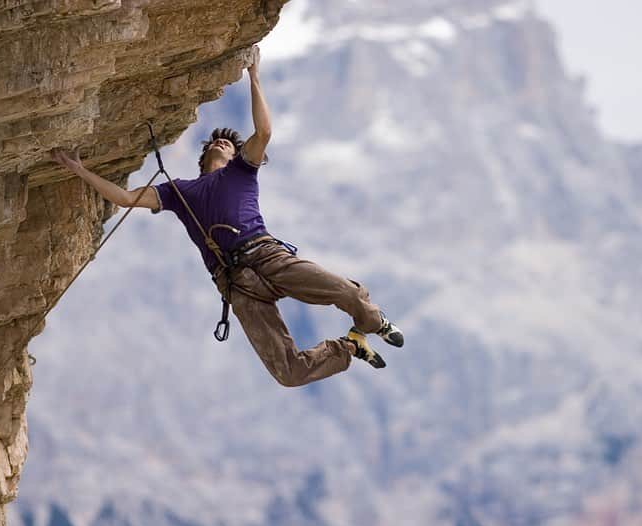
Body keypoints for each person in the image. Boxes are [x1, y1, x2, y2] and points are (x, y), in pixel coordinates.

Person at [50, 45, 403, 387]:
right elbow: (126, 198)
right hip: (235, 283)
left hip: (267, 256)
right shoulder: (178, 192)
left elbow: (263, 132)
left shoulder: (241, 171)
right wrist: (80, 171)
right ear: (203, 156)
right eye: (213, 143)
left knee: (347, 292)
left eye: (228, 144)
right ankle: (349, 348)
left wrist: (254, 76)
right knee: (288, 373)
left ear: (237, 154)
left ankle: (373, 323)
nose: (220, 144)